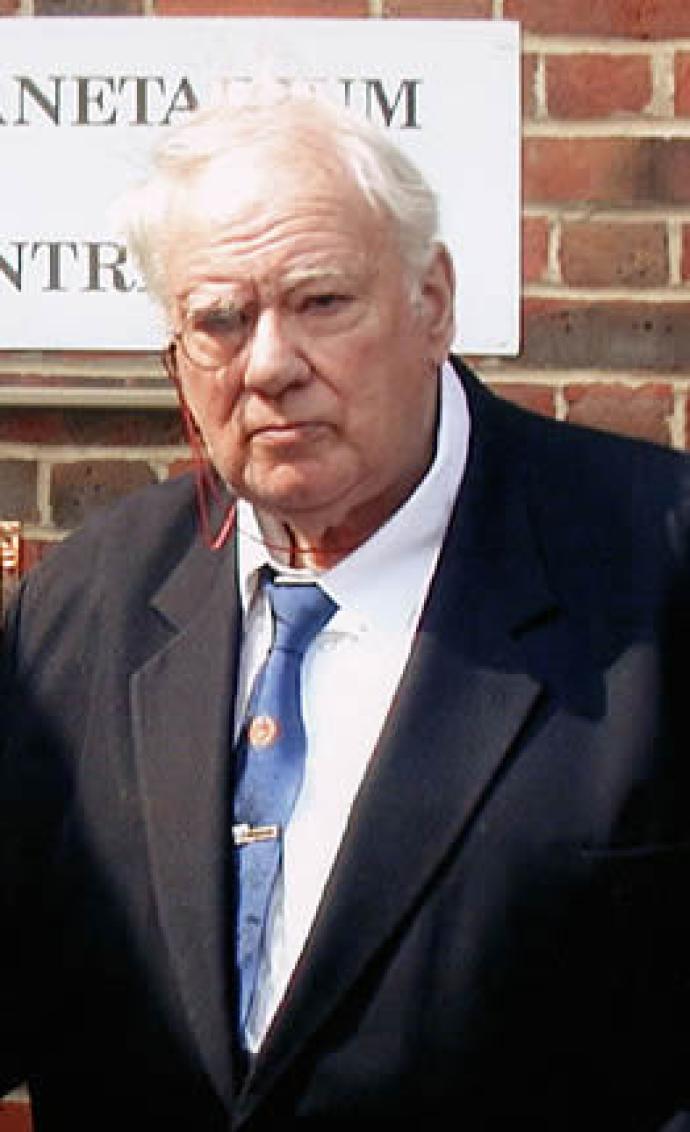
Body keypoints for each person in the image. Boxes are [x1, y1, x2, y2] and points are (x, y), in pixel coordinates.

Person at [2, 88, 690, 1132]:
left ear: (434, 301)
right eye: (221, 320)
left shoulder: (657, 566)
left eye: (321, 301)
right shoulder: (83, 606)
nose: (270, 364)